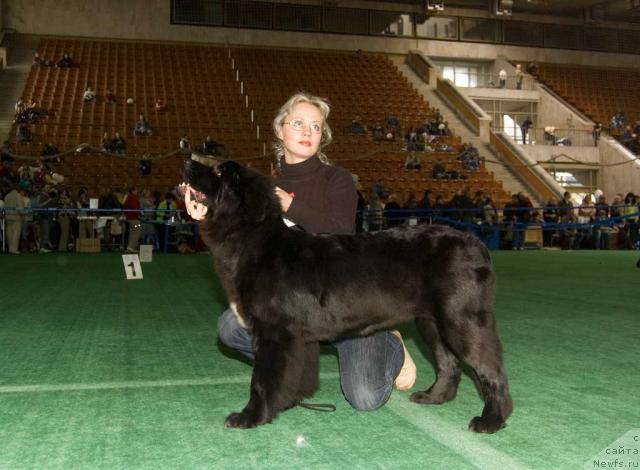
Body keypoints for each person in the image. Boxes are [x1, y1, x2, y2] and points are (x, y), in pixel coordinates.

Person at [186, 92, 416, 410]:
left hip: (347, 305)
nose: (308, 132)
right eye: (298, 123)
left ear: (323, 136)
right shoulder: (259, 187)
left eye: (316, 126)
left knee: (365, 397)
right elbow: (241, 251)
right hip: (298, 308)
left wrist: (289, 204)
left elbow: (338, 235)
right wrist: (207, 216)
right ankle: (291, 375)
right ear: (280, 130)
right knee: (229, 326)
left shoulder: (338, 180)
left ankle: (391, 342)